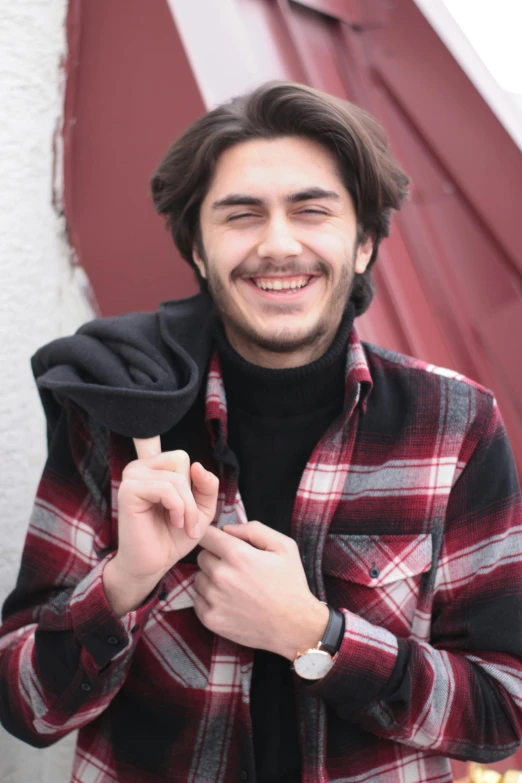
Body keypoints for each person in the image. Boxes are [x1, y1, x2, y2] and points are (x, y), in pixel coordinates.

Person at [1, 81, 521, 783]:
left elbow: (502, 710)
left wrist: (313, 635)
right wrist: (124, 581)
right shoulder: (118, 416)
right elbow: (24, 709)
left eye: (311, 211)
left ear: (363, 242)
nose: (278, 245)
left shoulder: (455, 424)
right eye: (241, 216)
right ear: (198, 250)